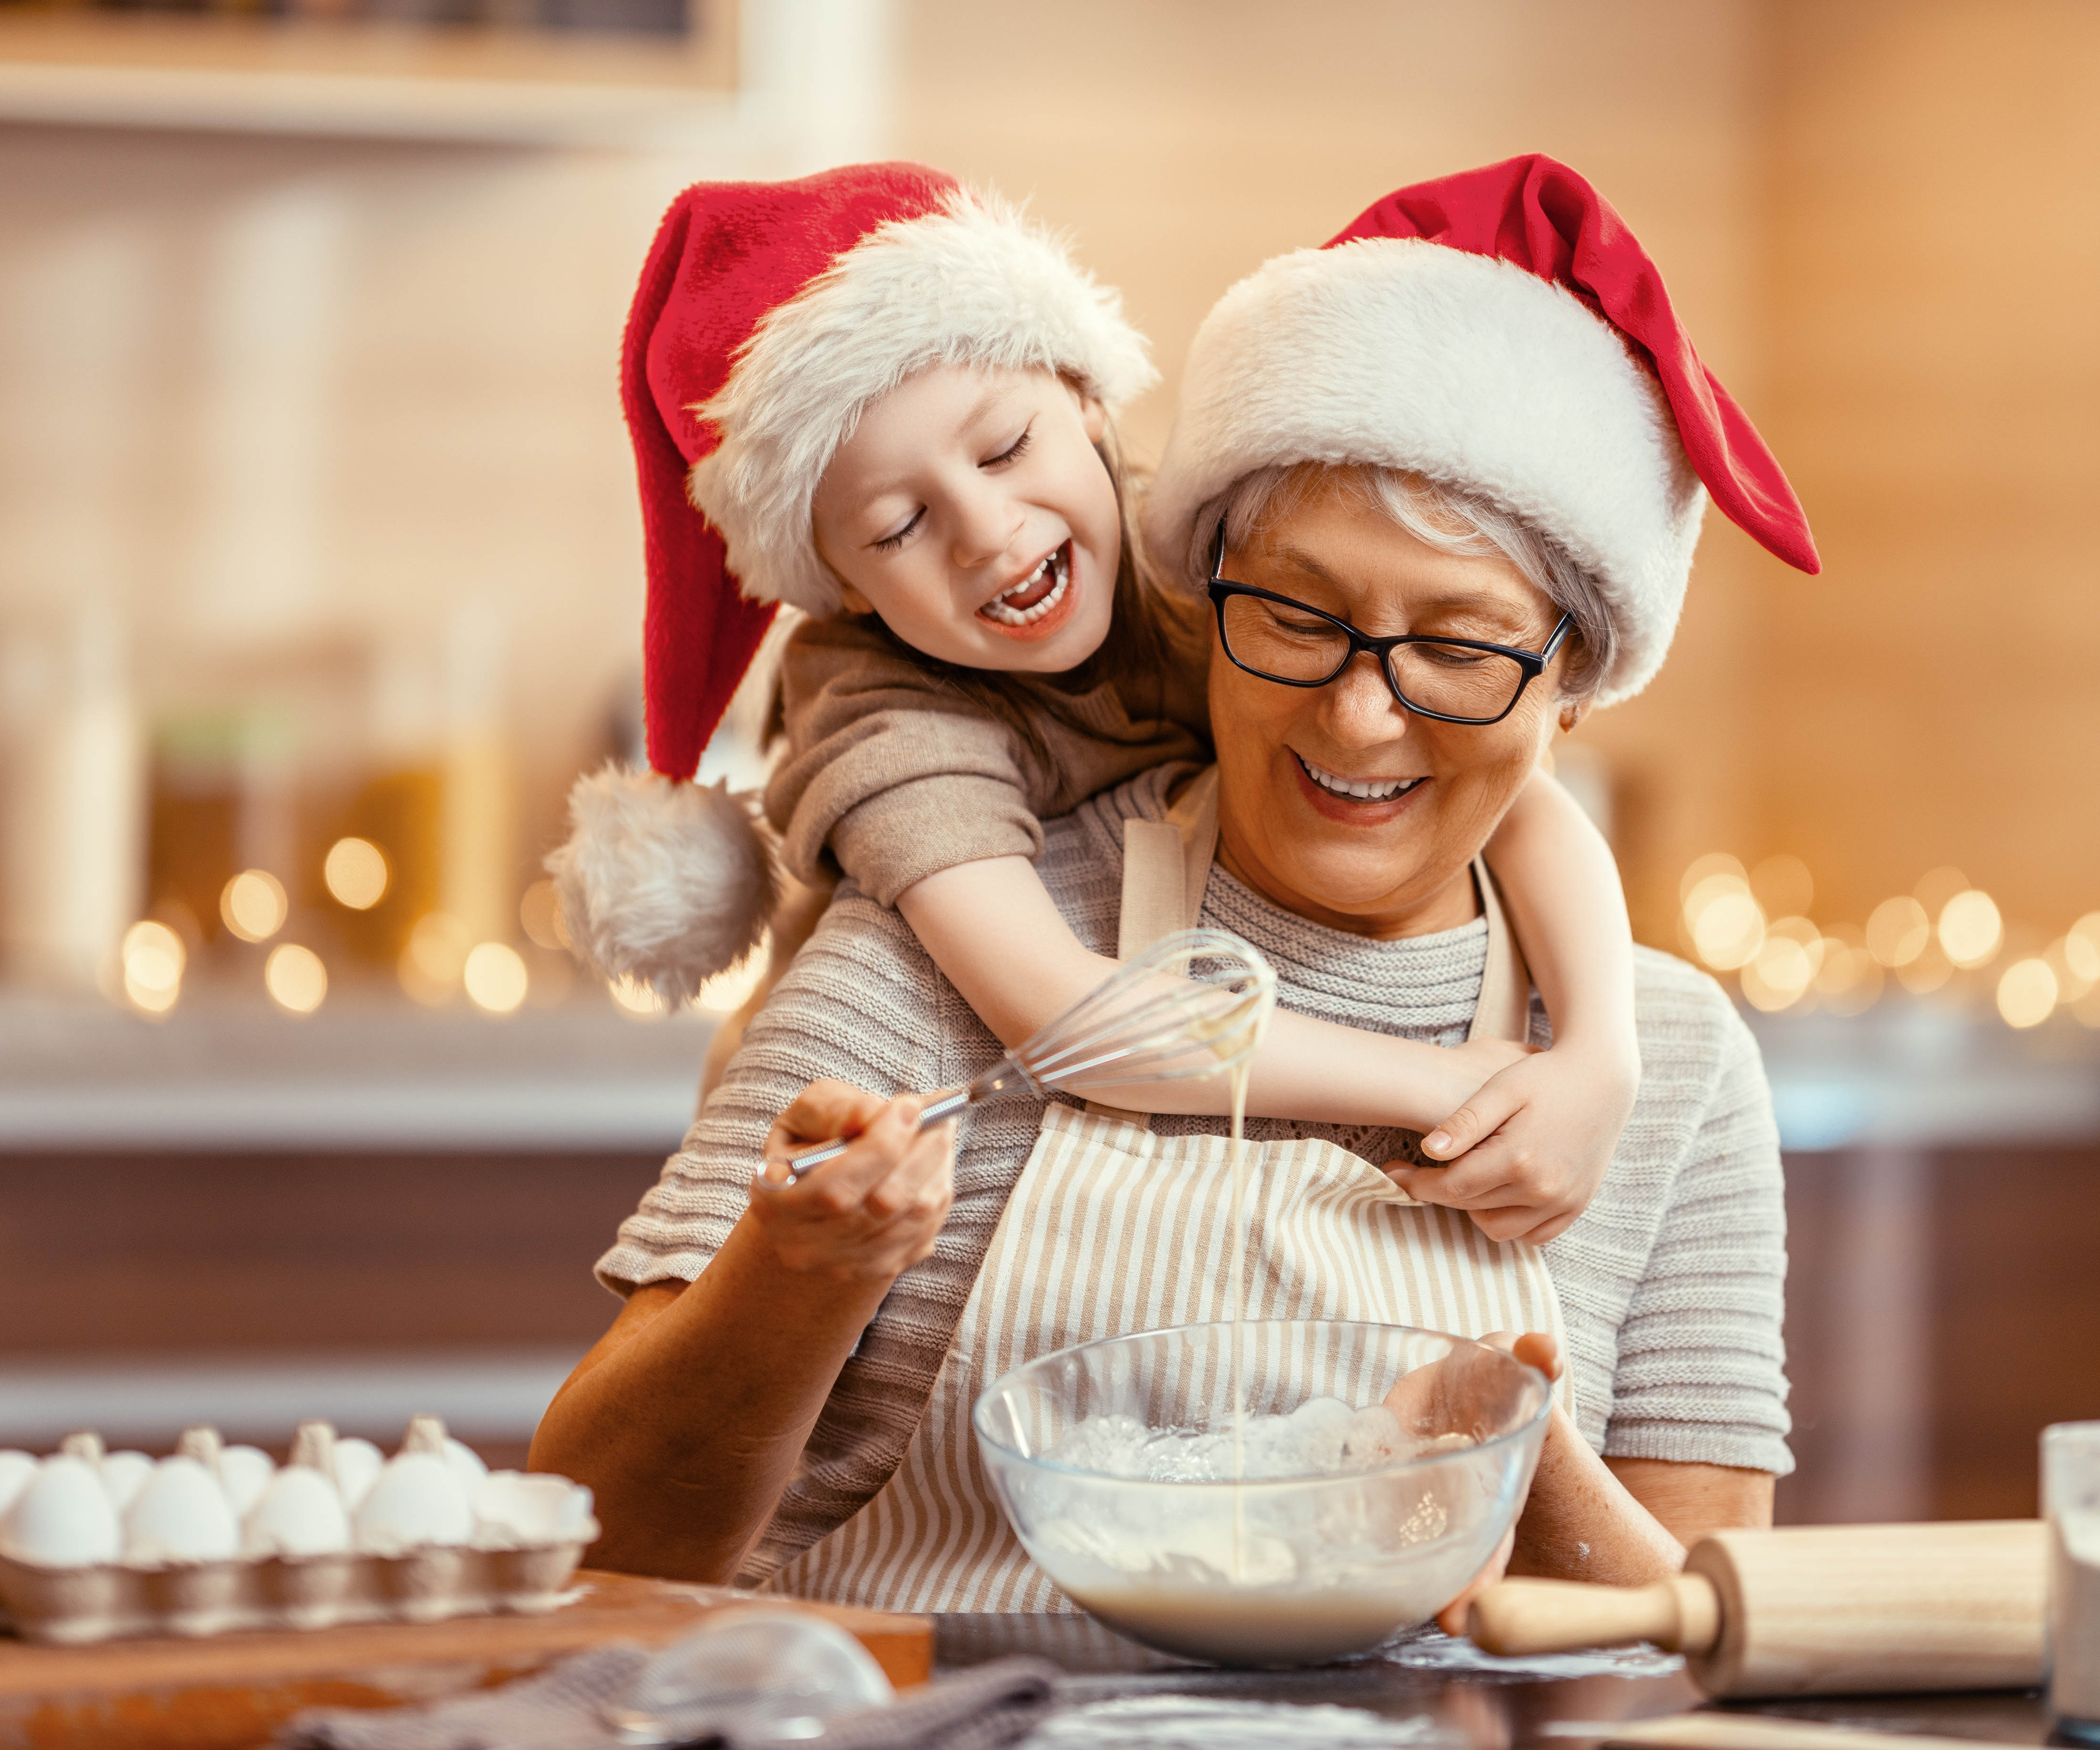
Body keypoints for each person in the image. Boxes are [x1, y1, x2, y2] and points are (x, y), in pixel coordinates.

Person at [531, 155, 1816, 1615]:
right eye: (1293, 617)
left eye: (1457, 648)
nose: (1357, 719)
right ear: (1203, 602)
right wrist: (794, 1273)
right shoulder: (926, 947)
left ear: (1567, 690)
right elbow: (599, 1548)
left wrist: (1505, 1466)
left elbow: (1712, 1635)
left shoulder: (1676, 1068)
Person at [548, 162, 1644, 1243]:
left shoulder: (1205, 558)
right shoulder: (883, 714)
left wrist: (1599, 1056)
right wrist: (1446, 1083)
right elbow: (1065, 1017)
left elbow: (1522, 799)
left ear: (1085, 401)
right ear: (838, 584)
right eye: (896, 527)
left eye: (1006, 446)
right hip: (866, 1176)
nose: (986, 530)